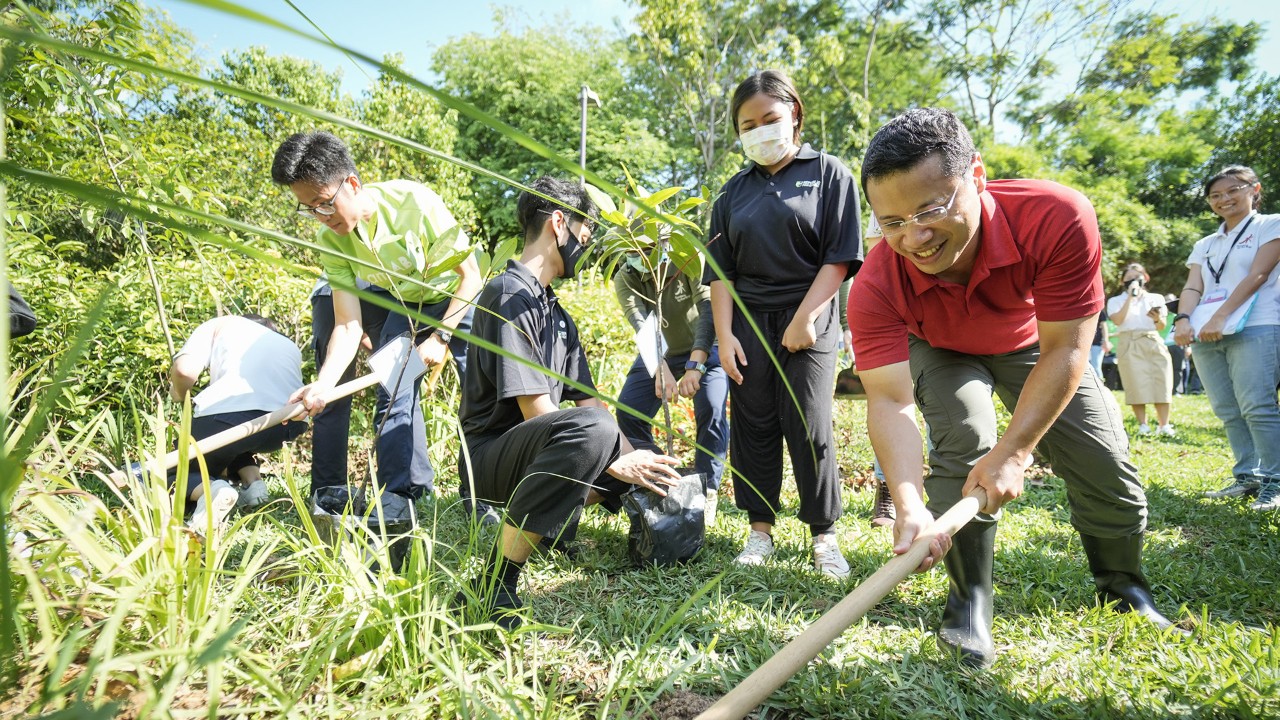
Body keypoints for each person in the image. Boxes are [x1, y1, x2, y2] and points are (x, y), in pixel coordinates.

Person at [849, 108, 1180, 667]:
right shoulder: (877, 281)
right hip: (940, 346)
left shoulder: (1056, 216)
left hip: (1036, 345)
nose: (915, 236)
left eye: (930, 209)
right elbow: (890, 400)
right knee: (964, 432)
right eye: (892, 222)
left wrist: (1017, 450)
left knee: (1102, 456)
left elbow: (1068, 349)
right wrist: (906, 501)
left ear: (976, 175)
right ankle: (969, 601)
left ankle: (1123, 586)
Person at [457, 176, 682, 628]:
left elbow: (591, 404)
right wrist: (609, 460)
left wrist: (634, 460)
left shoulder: (556, 313)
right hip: (488, 458)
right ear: (558, 224)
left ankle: (552, 527)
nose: (587, 245)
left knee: (630, 447)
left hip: (542, 447)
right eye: (585, 234)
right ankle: (495, 582)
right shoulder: (507, 295)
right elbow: (535, 410)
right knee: (596, 436)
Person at [271, 130, 482, 530]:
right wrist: (323, 385)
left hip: (457, 298)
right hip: (407, 305)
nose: (320, 216)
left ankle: (484, 496)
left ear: (351, 183)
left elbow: (470, 275)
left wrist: (441, 337)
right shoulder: (330, 240)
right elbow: (348, 325)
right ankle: (400, 499)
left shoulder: (412, 202)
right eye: (308, 208)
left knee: (480, 393)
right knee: (392, 391)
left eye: (324, 203)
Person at [704, 70, 863, 577]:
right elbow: (720, 275)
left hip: (810, 318)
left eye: (770, 119)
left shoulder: (831, 173)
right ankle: (759, 530)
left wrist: (806, 318)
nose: (760, 131)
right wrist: (725, 337)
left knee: (808, 421)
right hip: (748, 322)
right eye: (747, 125)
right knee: (752, 422)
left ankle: (824, 535)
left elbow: (839, 259)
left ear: (794, 113)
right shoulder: (731, 194)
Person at [1173, 165, 1280, 511]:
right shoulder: (1206, 243)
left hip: (1257, 324)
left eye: (1233, 190)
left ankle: (1274, 482)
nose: (1224, 199)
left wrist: (1222, 315)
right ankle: (1247, 476)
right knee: (1226, 408)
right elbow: (1193, 285)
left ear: (1254, 190)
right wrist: (1184, 319)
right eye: (1215, 195)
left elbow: (1259, 274)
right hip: (1206, 331)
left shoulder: (1270, 225)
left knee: (1257, 405)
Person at [613, 248, 729, 523]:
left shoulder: (687, 256)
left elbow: (708, 310)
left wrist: (695, 365)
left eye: (645, 249)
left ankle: (707, 490)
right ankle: (662, 477)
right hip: (660, 350)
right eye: (631, 251)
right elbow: (640, 323)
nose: (638, 255)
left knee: (711, 409)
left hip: (706, 347)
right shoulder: (626, 276)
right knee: (629, 411)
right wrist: (658, 366)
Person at [168, 313, 308, 532]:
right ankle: (253, 486)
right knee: (236, 440)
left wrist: (179, 393)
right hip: (289, 422)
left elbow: (184, 371)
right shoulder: (285, 342)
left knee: (178, 467)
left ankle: (212, 490)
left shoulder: (220, 325)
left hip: (232, 417)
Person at [1106, 263, 1175, 436]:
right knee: (1135, 382)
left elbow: (1161, 326)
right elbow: (1118, 321)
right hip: (1128, 342)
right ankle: (1143, 425)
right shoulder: (1115, 301)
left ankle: (1164, 425)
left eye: (1137, 277)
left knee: (1162, 380)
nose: (1133, 281)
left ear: (1145, 278)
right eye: (1129, 278)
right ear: (1122, 281)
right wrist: (1130, 297)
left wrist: (1158, 318)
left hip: (1152, 339)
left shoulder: (1156, 298)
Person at [1089, 308, 1110, 380]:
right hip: (1086, 344)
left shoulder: (1099, 310)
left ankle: (1100, 386)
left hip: (1097, 344)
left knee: (1096, 367)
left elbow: (1104, 326)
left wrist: (1106, 341)